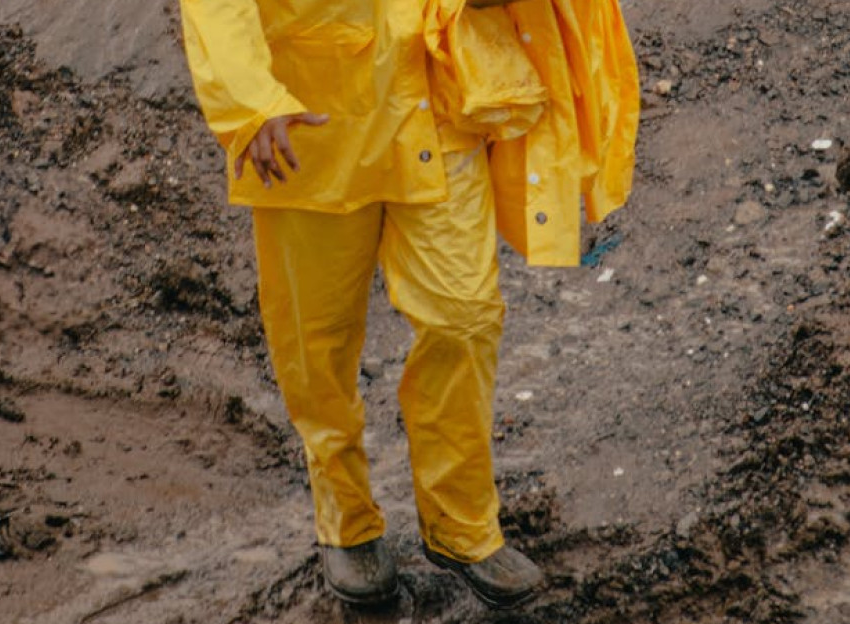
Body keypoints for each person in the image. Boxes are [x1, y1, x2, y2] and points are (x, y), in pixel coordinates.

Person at [179, 0, 639, 609]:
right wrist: (251, 103)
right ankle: (346, 522)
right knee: (316, 340)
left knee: (464, 314)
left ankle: (462, 526)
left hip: (431, 109)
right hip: (314, 124)